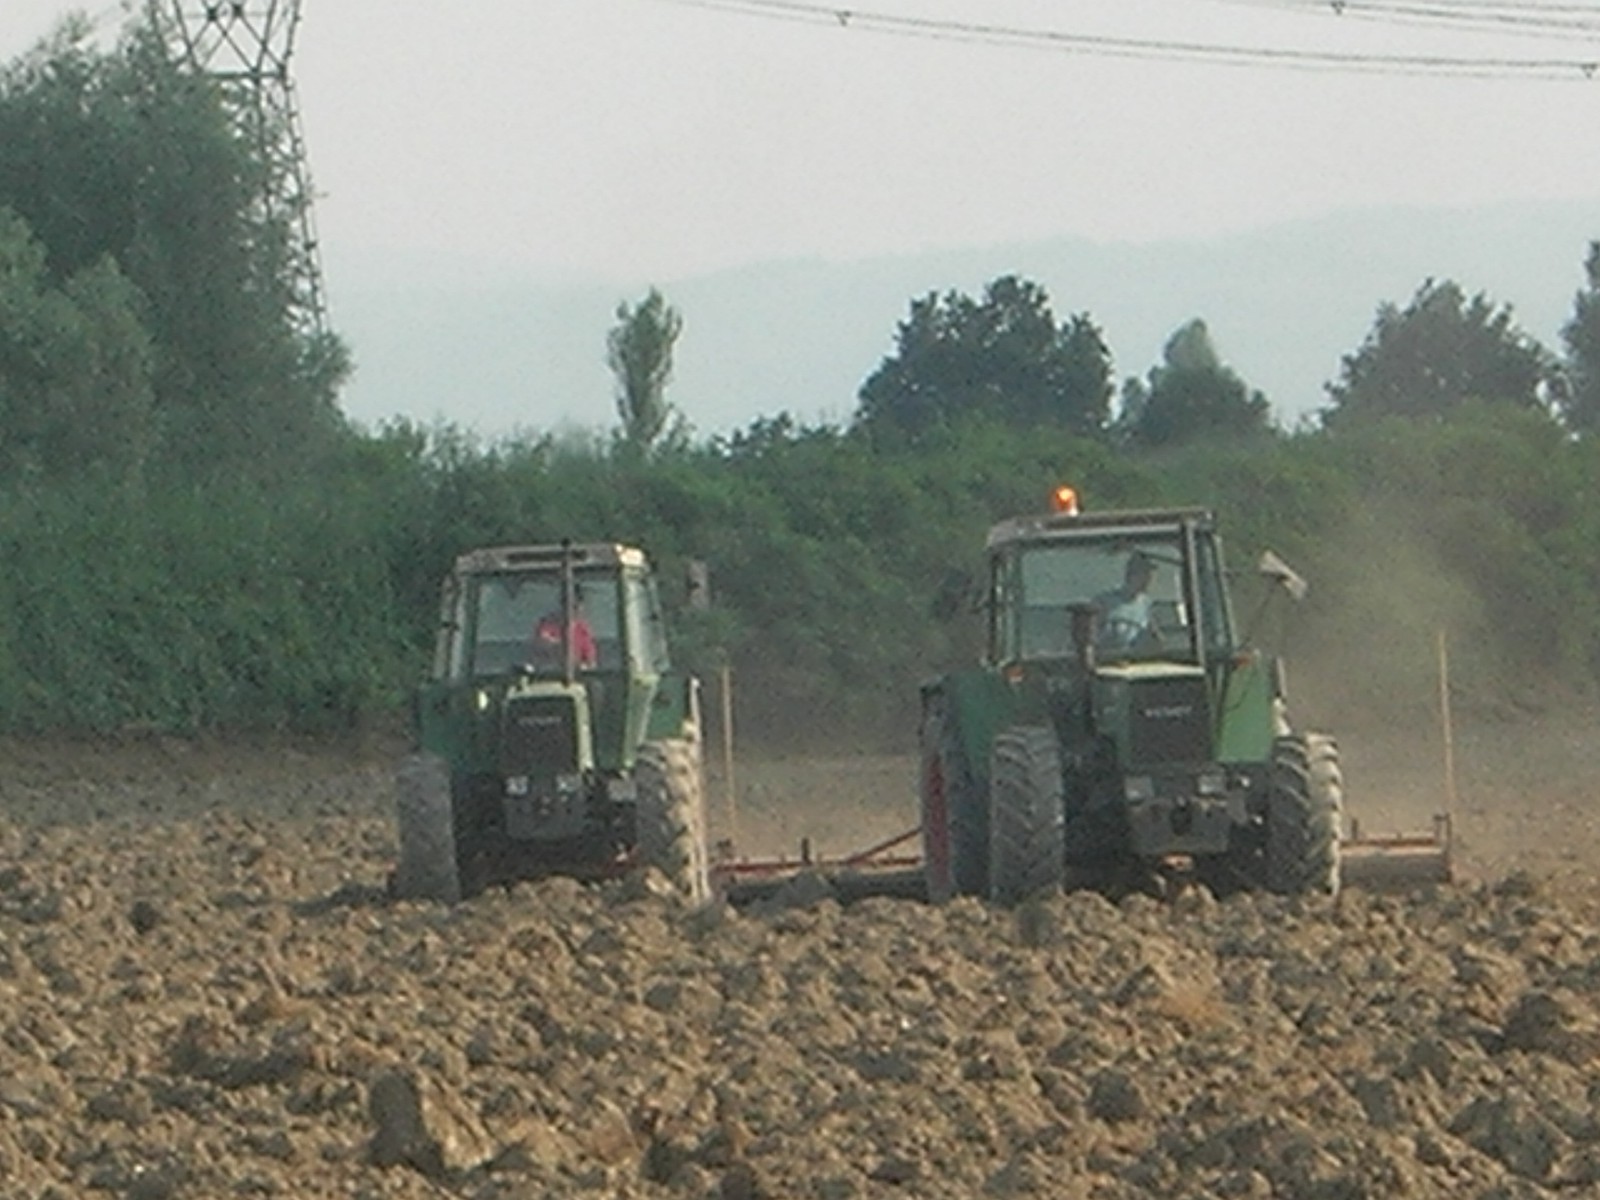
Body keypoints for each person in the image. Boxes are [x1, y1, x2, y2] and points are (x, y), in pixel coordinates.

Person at [1093, 551, 1158, 653]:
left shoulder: (1146, 604)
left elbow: (1153, 635)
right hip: (1107, 656)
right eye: (1144, 574)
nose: (1149, 579)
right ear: (1131, 575)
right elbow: (1091, 635)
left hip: (1135, 657)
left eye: (1151, 575)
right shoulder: (1105, 601)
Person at [533, 588, 598, 668]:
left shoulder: (582, 629)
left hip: (576, 672)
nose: (578, 610)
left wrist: (584, 665)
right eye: (573, 606)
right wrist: (558, 645)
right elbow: (544, 644)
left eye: (579, 606)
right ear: (563, 606)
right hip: (550, 671)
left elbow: (590, 659)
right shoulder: (548, 624)